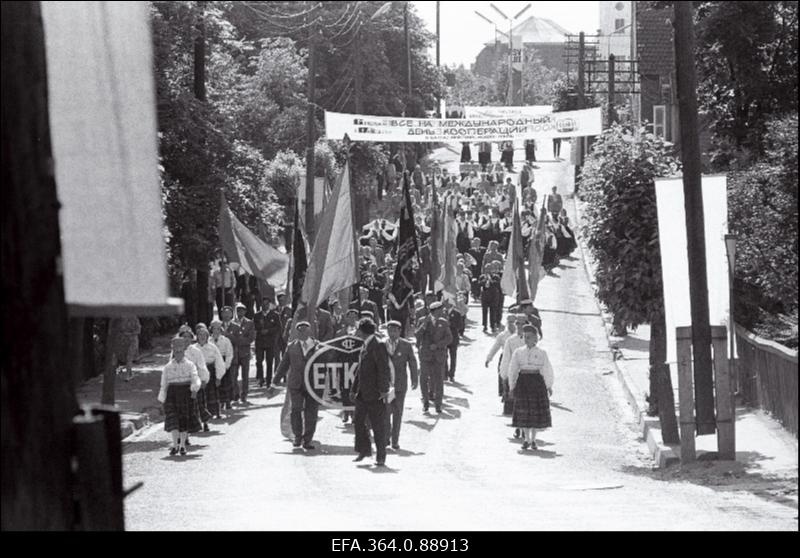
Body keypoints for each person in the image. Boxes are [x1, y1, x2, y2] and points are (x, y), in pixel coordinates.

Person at [351, 319, 392, 466]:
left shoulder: (378, 345)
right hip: (362, 392)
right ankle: (364, 450)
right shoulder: (365, 345)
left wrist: (383, 389)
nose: (356, 332)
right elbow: (360, 370)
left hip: (375, 392)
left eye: (358, 330)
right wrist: (354, 388)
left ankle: (381, 455)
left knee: (377, 425)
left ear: (362, 331)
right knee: (358, 422)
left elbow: (383, 368)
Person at [273, 321, 319, 450]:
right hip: (296, 384)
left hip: (313, 384)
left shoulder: (318, 346)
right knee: (296, 410)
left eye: (305, 330)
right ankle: (297, 437)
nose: (302, 332)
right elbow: (283, 365)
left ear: (310, 331)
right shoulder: (291, 346)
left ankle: (308, 440)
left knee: (311, 413)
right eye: (300, 330)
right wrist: (274, 382)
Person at [508, 324, 554, 450]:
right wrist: (512, 386)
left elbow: (547, 369)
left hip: (536, 382)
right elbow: (513, 369)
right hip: (523, 382)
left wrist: (549, 385)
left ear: (536, 339)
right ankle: (526, 439)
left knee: (534, 414)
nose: (527, 339)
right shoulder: (518, 352)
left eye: (530, 337)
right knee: (524, 413)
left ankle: (533, 439)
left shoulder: (541, 353)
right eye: (525, 337)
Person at [158, 336, 201, 456]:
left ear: (184, 351)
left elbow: (195, 377)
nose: (178, 353)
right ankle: (174, 445)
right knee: (173, 421)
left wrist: (194, 388)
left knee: (183, 420)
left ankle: (182, 446)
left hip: (185, 393)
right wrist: (162, 399)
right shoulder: (167, 367)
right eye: (176, 351)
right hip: (172, 394)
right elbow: (164, 384)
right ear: (173, 352)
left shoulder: (190, 365)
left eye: (180, 351)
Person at [383, 320, 418, 450]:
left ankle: (395, 440)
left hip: (400, 385)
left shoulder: (406, 345)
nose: (392, 333)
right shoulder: (382, 344)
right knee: (385, 413)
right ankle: (386, 437)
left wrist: (415, 379)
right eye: (390, 330)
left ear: (399, 331)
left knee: (397, 413)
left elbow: (412, 363)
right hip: (385, 386)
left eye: (395, 330)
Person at [415, 301, 452, 413]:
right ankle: (425, 403)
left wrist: (438, 345)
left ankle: (438, 404)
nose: (442, 311)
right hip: (426, 356)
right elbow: (417, 335)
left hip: (438, 356)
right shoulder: (423, 321)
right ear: (435, 310)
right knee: (424, 379)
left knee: (439, 381)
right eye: (440, 309)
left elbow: (449, 338)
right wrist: (424, 325)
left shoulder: (444, 322)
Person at [177, 325, 211, 435]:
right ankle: (185, 434)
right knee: (184, 409)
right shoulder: (176, 351)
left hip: (195, 381)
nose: (186, 339)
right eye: (184, 337)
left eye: (188, 337)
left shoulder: (196, 351)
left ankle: (205, 422)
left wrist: (204, 379)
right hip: (181, 382)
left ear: (192, 338)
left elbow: (201, 366)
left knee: (200, 404)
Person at [499, 314, 528, 424]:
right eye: (517, 324)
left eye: (522, 324)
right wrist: (504, 375)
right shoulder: (510, 340)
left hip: (526, 373)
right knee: (514, 400)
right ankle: (517, 424)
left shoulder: (530, 339)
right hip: (514, 373)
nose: (519, 326)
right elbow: (506, 358)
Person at [194, 324, 225, 420]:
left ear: (207, 336)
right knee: (201, 395)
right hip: (198, 372)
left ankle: (216, 413)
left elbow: (219, 362)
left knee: (213, 393)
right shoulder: (193, 348)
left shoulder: (212, 347)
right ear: (197, 336)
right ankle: (203, 415)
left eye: (204, 335)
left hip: (211, 371)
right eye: (200, 335)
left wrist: (219, 377)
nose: (202, 337)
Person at [485, 314, 518, 399]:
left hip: (516, 358)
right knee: (502, 374)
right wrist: (489, 358)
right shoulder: (502, 335)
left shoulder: (519, 335)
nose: (511, 324)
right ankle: (504, 392)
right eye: (510, 322)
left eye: (513, 322)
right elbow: (495, 347)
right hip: (505, 357)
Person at [254, 297, 282, 389]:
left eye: (266, 304)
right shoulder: (257, 315)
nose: (264, 305)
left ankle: (269, 381)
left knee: (269, 362)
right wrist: (259, 330)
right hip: (259, 342)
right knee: (259, 361)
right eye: (263, 303)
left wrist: (269, 331)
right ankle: (260, 379)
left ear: (269, 304)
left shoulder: (275, 315)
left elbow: (278, 327)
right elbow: (254, 327)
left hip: (270, 342)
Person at [232, 303, 255, 404]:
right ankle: (236, 394)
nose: (239, 312)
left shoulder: (249, 323)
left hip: (245, 352)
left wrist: (240, 340)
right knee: (234, 375)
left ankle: (244, 394)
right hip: (234, 353)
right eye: (238, 310)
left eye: (242, 310)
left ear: (245, 311)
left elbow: (251, 337)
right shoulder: (232, 323)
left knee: (245, 375)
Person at [209, 319, 234, 411]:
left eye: (218, 329)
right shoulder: (209, 340)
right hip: (213, 363)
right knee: (216, 384)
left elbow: (229, 353)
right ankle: (219, 402)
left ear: (221, 330)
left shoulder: (226, 340)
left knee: (226, 383)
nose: (216, 331)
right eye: (214, 329)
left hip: (223, 362)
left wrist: (226, 365)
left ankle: (227, 401)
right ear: (211, 329)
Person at [444, 298, 464, 382]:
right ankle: (445, 374)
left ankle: (451, 374)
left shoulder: (457, 313)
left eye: (446, 302)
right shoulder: (442, 313)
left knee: (453, 357)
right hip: (444, 338)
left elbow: (460, 326)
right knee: (444, 356)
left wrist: (451, 324)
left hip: (453, 338)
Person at [119, 314, 141, 382]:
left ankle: (127, 376)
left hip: (133, 341)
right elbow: (119, 330)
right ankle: (130, 373)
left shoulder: (135, 318)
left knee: (129, 357)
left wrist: (129, 333)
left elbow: (138, 330)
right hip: (124, 342)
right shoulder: (121, 318)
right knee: (126, 358)